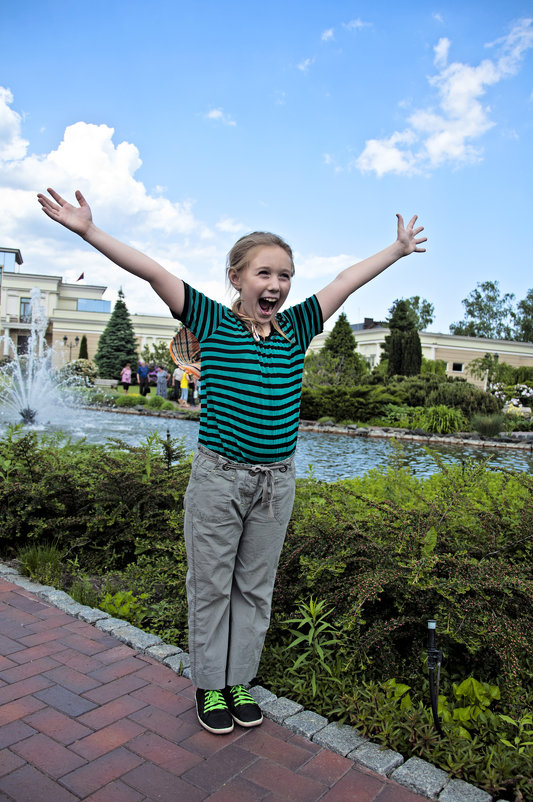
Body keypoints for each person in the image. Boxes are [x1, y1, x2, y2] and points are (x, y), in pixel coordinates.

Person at [37, 187, 426, 736]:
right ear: (238, 277)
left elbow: (343, 281)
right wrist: (88, 231)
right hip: (219, 479)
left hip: (276, 484)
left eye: (285, 275)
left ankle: (239, 680)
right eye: (264, 273)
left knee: (254, 587)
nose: (276, 285)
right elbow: (153, 271)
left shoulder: (298, 328)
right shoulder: (213, 322)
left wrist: (396, 250)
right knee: (212, 585)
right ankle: (209, 687)